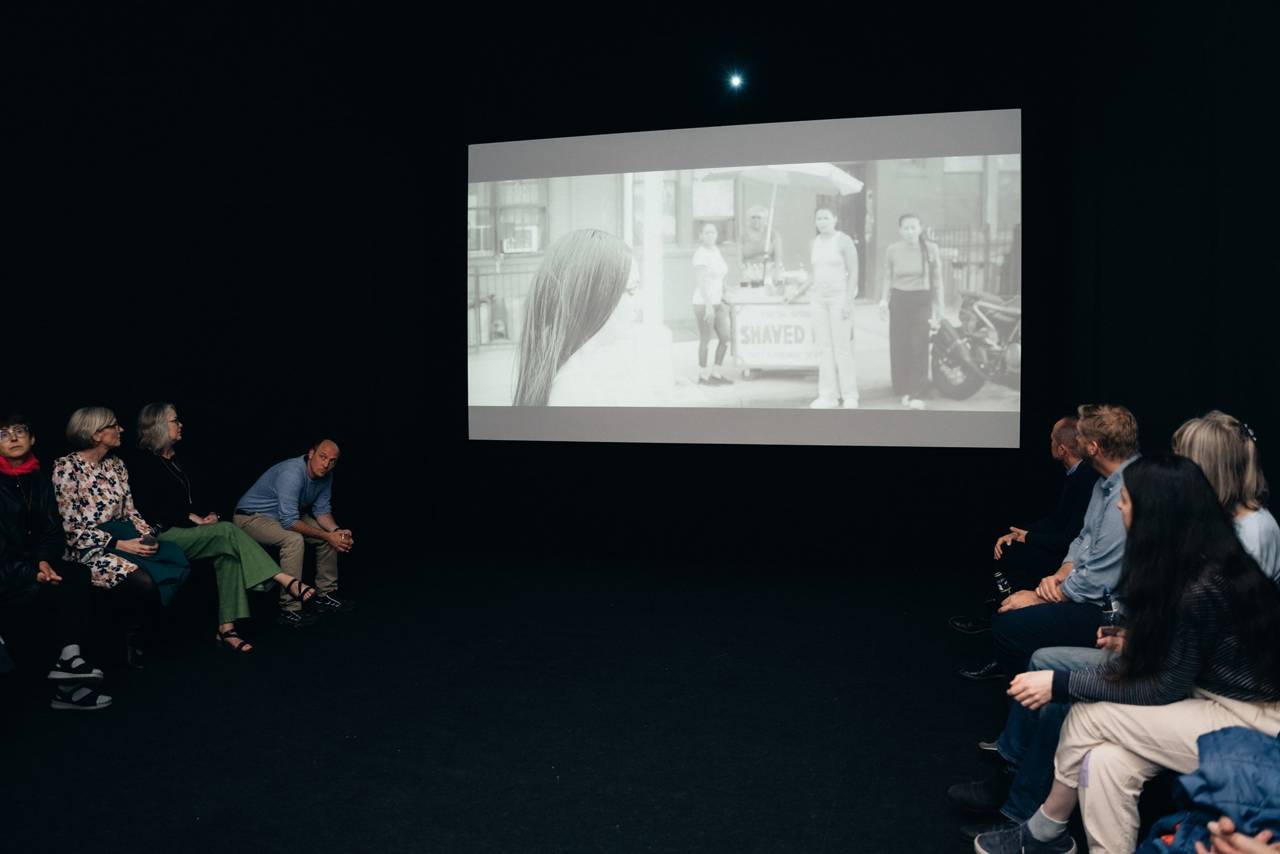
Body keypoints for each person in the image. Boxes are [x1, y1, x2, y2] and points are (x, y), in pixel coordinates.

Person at [954, 408, 1280, 839]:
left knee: (1085, 715)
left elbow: (1167, 682)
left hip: (1245, 714)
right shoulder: (1194, 555)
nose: (1119, 505)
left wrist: (1062, 685)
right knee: (1104, 763)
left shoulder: (1203, 571)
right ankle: (1048, 830)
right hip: (1208, 693)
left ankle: (1040, 831)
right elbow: (1195, 646)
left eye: (1125, 501)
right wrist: (1136, 639)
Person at [129, 403, 318, 652]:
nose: (181, 424)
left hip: (197, 533)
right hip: (164, 535)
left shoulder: (181, 460)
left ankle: (226, 630)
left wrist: (212, 514)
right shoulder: (142, 465)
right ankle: (284, 579)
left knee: (227, 553)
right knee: (228, 531)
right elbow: (151, 511)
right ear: (158, 426)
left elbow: (208, 496)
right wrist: (193, 519)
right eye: (175, 420)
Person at [986, 404, 1139, 679]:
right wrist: (1061, 574)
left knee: (1009, 624)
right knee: (1011, 611)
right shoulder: (1103, 483)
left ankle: (1042, 701)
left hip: (1111, 610)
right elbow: (1084, 538)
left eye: (1080, 438)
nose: (1074, 444)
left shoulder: (1128, 490)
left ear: (1092, 447)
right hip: (1086, 591)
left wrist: (1042, 596)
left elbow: (1100, 578)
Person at [51, 407, 191, 669]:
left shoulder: (116, 464)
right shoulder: (66, 467)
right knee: (145, 580)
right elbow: (71, 529)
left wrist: (145, 535)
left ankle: (140, 634)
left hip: (125, 535)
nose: (121, 429)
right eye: (115, 425)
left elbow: (130, 511)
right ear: (96, 434)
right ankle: (129, 637)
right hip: (88, 549)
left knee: (173, 557)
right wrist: (118, 544)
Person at [950, 416, 1099, 640]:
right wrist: (1020, 534)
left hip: (1069, 559)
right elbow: (1056, 520)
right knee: (1010, 548)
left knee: (1013, 557)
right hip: (1064, 549)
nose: (1048, 443)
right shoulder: (1076, 475)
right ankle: (996, 616)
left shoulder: (1086, 480)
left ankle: (1002, 622)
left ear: (1061, 449)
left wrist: (1028, 539)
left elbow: (1069, 538)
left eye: (1051, 439)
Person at [0, 415, 110, 710]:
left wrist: (44, 562)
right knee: (52, 593)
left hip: (36, 566)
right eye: (3, 433)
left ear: (32, 439)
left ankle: (70, 662)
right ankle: (67, 689)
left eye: (19, 431)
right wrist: (30, 572)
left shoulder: (39, 480)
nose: (12, 437)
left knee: (75, 574)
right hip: (7, 574)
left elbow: (52, 532)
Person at [513, 228, 653, 406]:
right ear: (593, 299)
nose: (640, 304)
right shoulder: (576, 391)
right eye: (632, 290)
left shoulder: (587, 372)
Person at [234, 439, 354, 627]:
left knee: (329, 536)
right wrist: (327, 535)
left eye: (332, 461)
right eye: (323, 457)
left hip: (282, 516)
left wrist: (336, 532)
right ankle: (290, 609)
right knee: (294, 539)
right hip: (250, 518)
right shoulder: (292, 473)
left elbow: (322, 511)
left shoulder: (326, 475)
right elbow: (289, 522)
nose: (326, 464)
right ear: (311, 454)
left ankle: (326, 595)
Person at [1173, 411, 1278, 581]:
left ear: (1208, 471)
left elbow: (1234, 604)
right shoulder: (1216, 517)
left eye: (1183, 463)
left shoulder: (1254, 531)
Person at [878, 213, 944, 410]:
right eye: (905, 228)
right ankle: (902, 387)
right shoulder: (893, 250)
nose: (909, 232)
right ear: (900, 230)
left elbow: (938, 280)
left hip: (921, 301)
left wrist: (939, 307)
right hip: (899, 300)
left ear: (920, 228)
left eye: (913, 227)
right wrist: (883, 300)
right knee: (900, 345)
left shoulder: (930, 249)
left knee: (919, 344)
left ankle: (917, 390)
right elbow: (888, 276)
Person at [807, 207, 859, 409]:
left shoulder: (843, 240)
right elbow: (814, 273)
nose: (822, 222)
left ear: (835, 220)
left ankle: (850, 395)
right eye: (818, 218)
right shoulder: (814, 243)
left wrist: (848, 301)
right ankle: (828, 395)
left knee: (842, 348)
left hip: (839, 298)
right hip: (818, 299)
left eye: (826, 218)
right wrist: (798, 291)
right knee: (824, 349)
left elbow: (854, 272)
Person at [691, 222, 732, 386]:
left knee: (726, 337)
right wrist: (708, 306)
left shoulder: (716, 251)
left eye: (713, 232)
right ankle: (702, 376)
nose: (710, 235)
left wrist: (724, 289)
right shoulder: (700, 255)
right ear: (700, 235)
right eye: (706, 233)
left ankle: (716, 373)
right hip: (703, 303)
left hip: (718, 302)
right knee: (706, 339)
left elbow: (719, 275)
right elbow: (701, 283)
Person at [739, 204, 783, 288]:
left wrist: (776, 273)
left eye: (759, 217)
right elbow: (739, 256)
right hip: (750, 271)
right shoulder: (743, 234)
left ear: (765, 219)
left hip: (769, 270)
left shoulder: (773, 233)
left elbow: (778, 256)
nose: (756, 220)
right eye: (753, 217)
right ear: (749, 219)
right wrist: (742, 269)